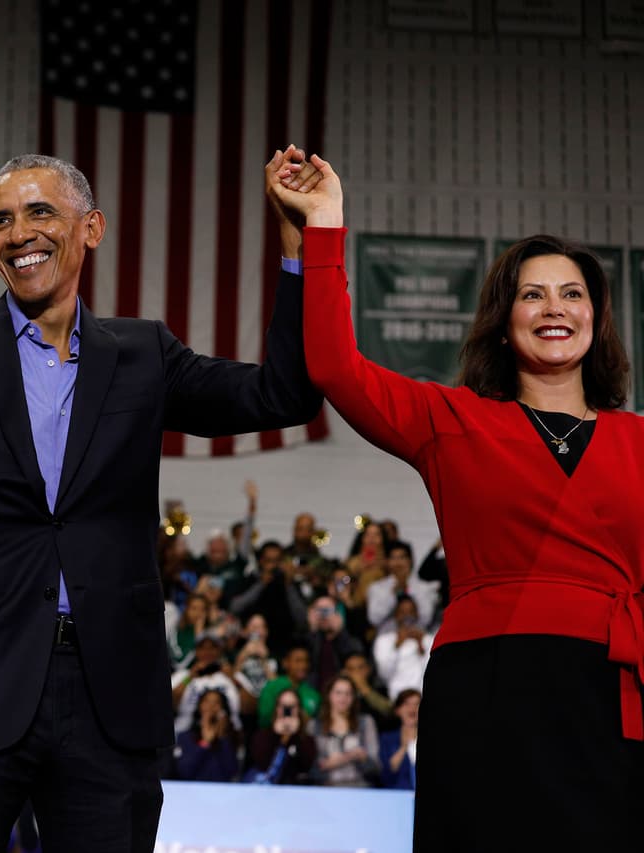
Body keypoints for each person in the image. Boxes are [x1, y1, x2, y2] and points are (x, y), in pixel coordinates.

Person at [0, 152, 321, 851]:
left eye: (39, 212)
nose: (18, 234)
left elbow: (282, 396)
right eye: (1, 220)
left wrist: (297, 246)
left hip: (111, 693)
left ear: (91, 228)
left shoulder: (145, 354)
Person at [272, 150, 644, 849]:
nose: (555, 308)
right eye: (533, 295)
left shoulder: (640, 440)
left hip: (614, 698)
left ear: (596, 317)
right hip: (488, 692)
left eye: (572, 293)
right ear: (504, 321)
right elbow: (334, 367)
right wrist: (323, 224)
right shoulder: (452, 421)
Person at [308, 675, 379, 787]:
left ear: (354, 697)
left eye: (348, 693)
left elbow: (375, 766)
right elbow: (313, 768)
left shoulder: (366, 722)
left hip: (360, 787)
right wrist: (351, 755)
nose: (343, 698)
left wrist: (334, 762)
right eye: (338, 693)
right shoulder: (314, 725)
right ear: (329, 695)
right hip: (325, 788)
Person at [170, 689, 239, 783]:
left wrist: (222, 736)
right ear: (199, 705)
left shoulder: (231, 736)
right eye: (207, 701)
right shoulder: (185, 736)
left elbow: (232, 772)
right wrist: (205, 743)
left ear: (223, 709)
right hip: (192, 789)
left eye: (217, 702)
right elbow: (184, 771)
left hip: (221, 789)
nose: (211, 706)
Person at [379, 688, 420, 790]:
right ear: (397, 710)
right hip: (397, 792)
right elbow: (386, 774)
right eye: (407, 704)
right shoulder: (388, 739)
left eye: (417, 704)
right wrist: (404, 747)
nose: (412, 708)